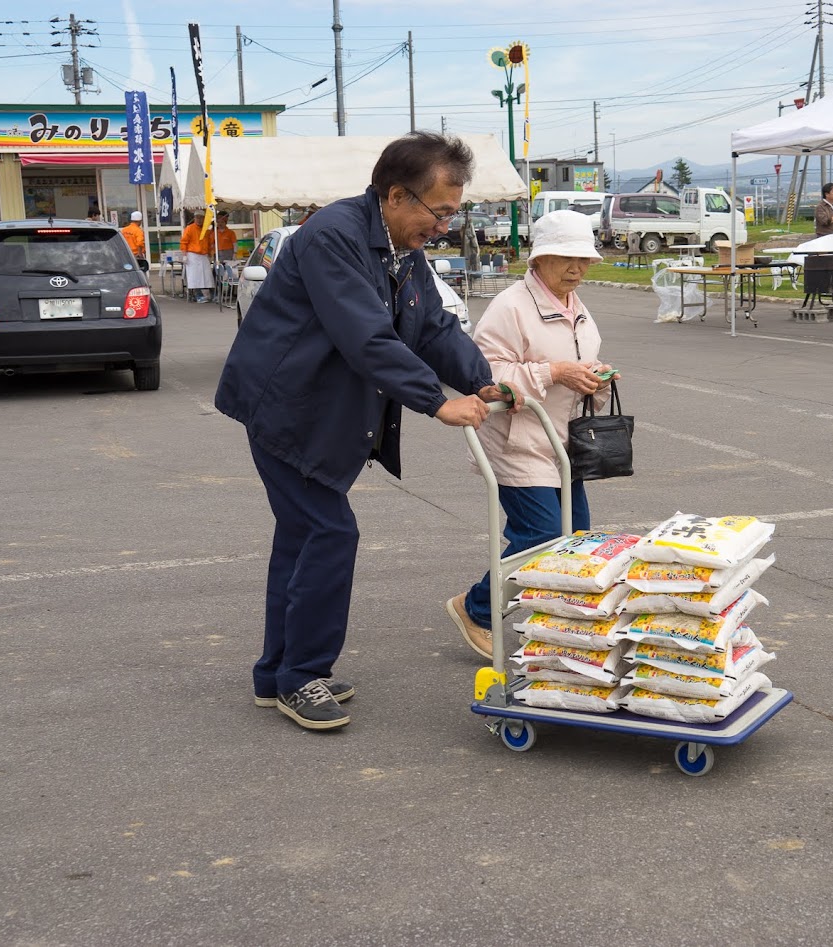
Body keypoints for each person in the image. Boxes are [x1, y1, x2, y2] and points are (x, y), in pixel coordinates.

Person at [214, 131, 515, 731]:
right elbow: (366, 336)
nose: (445, 226)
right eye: (441, 212)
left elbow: (431, 326)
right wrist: (436, 402)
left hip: (321, 408)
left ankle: (278, 674)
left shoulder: (401, 247)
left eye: (455, 214)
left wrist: (479, 381)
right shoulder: (334, 235)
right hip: (286, 407)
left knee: (302, 539)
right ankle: (301, 677)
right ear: (397, 194)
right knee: (328, 533)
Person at [446, 209, 616, 657]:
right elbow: (485, 372)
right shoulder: (511, 306)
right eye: (564, 258)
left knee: (576, 535)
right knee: (541, 536)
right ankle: (476, 608)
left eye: (583, 259)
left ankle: (558, 623)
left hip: (564, 443)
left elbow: (574, 364)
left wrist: (594, 377)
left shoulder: (575, 305)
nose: (577, 268)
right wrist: (556, 371)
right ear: (538, 260)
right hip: (517, 443)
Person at [181, 211, 212, 303]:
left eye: (201, 218)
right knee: (195, 278)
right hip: (192, 255)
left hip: (204, 255)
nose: (199, 220)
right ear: (194, 218)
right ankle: (198, 295)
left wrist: (210, 254)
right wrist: (184, 255)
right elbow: (184, 242)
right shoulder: (189, 228)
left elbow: (209, 243)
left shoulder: (206, 229)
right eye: (197, 218)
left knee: (207, 277)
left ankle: (207, 295)